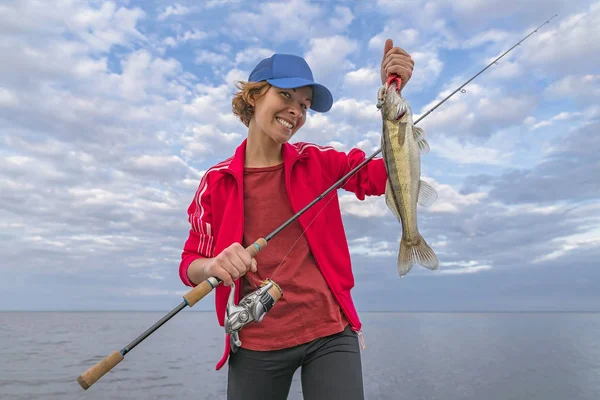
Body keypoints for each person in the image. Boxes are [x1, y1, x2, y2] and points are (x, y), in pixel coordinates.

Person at [179, 39, 414, 400]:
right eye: (286, 96)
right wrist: (215, 264)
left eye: (304, 105)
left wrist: (394, 95)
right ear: (255, 95)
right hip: (256, 339)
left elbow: (383, 176)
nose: (296, 111)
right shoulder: (215, 181)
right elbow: (190, 264)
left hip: (330, 334)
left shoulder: (319, 162)